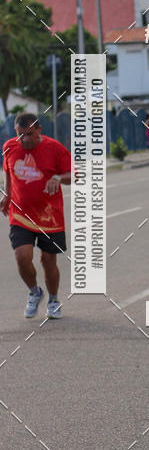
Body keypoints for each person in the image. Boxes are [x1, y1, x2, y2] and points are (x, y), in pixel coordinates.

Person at [1, 113, 72, 319]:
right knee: (22, 257)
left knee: (48, 261)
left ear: (39, 130)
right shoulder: (9, 147)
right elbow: (8, 172)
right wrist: (7, 194)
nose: (24, 139)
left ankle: (53, 299)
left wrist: (58, 178)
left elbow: (73, 174)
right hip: (21, 215)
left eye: (29, 134)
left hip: (50, 218)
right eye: (20, 134)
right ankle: (34, 292)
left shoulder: (55, 148)